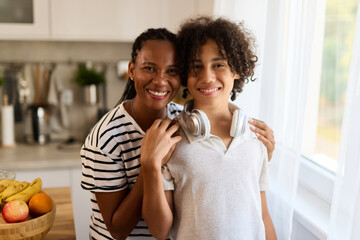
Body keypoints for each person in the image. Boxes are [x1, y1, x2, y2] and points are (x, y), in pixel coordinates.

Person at [81, 27, 275, 239]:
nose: (161, 81)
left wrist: (257, 156)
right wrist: (149, 165)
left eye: (172, 70)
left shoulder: (182, 120)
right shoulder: (106, 139)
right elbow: (118, 230)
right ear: (131, 70)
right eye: (149, 68)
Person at [142, 17, 277, 240]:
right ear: (185, 73)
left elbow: (262, 216)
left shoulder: (256, 137)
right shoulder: (170, 139)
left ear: (237, 69)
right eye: (196, 67)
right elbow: (159, 230)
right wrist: (151, 166)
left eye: (219, 64)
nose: (207, 76)